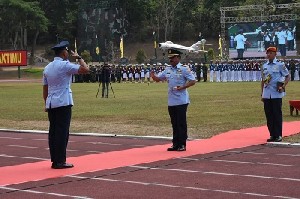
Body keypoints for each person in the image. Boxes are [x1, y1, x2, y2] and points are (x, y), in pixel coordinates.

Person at [43, 40, 89, 169]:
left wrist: (46, 103)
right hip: (63, 102)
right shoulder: (65, 65)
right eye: (67, 52)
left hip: (51, 103)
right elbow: (86, 69)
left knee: (53, 132)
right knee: (62, 133)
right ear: (64, 53)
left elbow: (45, 89)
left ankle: (54, 160)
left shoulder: (47, 67)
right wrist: (79, 58)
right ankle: (60, 161)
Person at [150, 49, 196, 151]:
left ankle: (182, 144)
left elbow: (193, 81)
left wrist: (183, 87)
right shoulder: (168, 69)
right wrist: (153, 76)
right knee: (174, 123)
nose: (170, 59)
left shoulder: (184, 69)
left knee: (181, 123)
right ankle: (175, 144)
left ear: (178, 58)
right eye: (170, 58)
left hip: (181, 100)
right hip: (171, 100)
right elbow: (159, 79)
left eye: (173, 58)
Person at [261, 47, 290, 142]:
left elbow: (287, 76)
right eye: (267, 53)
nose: (268, 55)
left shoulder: (280, 65)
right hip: (267, 93)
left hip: (276, 93)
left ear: (274, 54)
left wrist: (283, 86)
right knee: (269, 115)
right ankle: (272, 134)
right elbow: (263, 80)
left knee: (277, 114)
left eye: (270, 53)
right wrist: (262, 93)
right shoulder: (264, 66)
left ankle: (278, 135)